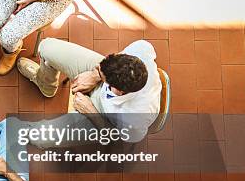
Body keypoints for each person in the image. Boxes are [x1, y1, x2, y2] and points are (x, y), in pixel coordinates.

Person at [18, 39, 162, 144]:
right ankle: (46, 85)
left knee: (44, 137)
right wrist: (95, 75)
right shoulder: (141, 50)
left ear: (118, 91)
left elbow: (114, 138)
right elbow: (108, 64)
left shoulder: (136, 118)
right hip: (104, 77)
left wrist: (90, 111)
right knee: (46, 47)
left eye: (102, 75)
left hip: (102, 116)